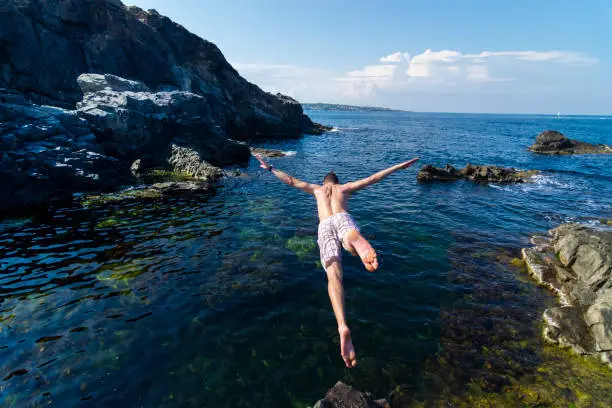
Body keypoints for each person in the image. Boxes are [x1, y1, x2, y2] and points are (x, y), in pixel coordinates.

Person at [255, 154, 419, 368]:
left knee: (333, 275)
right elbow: (373, 179)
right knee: (349, 236)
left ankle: (342, 325)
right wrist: (398, 166)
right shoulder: (345, 189)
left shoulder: (316, 189)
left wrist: (270, 168)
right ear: (337, 183)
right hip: (342, 218)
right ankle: (355, 241)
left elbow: (290, 180)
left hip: (324, 227)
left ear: (324, 183)